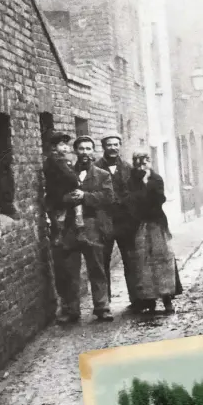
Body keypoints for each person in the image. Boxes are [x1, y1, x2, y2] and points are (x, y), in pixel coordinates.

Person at [56, 135, 115, 323]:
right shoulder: (65, 173)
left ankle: (102, 307)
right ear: (75, 151)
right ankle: (72, 310)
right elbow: (55, 197)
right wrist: (66, 199)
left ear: (93, 151)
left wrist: (85, 196)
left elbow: (108, 198)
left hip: (92, 226)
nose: (85, 153)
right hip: (70, 228)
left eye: (88, 149)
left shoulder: (102, 175)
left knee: (96, 268)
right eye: (81, 149)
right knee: (70, 270)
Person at [128, 152, 181, 314]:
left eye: (144, 163)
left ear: (150, 162)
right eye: (138, 164)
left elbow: (159, 200)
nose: (142, 167)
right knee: (143, 262)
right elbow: (133, 201)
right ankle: (149, 300)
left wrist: (146, 185)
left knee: (162, 259)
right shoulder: (132, 181)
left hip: (156, 224)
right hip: (140, 225)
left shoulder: (156, 179)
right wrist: (142, 186)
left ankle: (167, 298)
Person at [95, 133, 138, 306]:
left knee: (130, 260)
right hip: (104, 222)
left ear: (120, 146)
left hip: (125, 223)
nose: (113, 148)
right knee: (102, 262)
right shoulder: (96, 168)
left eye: (116, 144)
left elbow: (135, 194)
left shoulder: (128, 168)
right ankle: (105, 302)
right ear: (103, 147)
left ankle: (136, 299)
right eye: (109, 145)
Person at [43, 132, 84, 245]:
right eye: (61, 144)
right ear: (53, 147)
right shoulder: (56, 160)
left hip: (62, 193)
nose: (65, 147)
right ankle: (72, 229)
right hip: (58, 195)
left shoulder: (63, 160)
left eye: (66, 144)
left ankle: (74, 228)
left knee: (71, 209)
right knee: (63, 214)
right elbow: (70, 176)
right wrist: (77, 181)